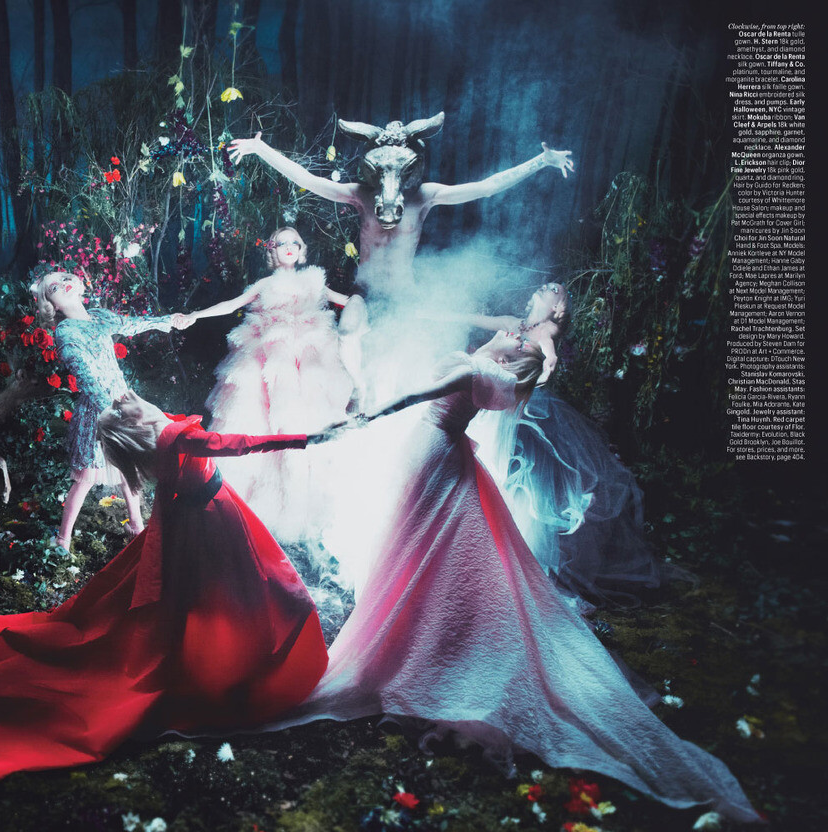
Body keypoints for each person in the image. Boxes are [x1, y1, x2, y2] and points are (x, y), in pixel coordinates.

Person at [278, 332, 760, 823]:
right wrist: (500, 347)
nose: (514, 331)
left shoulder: (477, 371)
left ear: (513, 357)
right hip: (441, 450)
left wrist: (362, 418)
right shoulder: (491, 371)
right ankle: (430, 619)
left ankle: (433, 633)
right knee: (427, 541)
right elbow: (475, 363)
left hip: (433, 450)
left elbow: (415, 396)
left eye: (519, 339)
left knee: (427, 540)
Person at [0, 391, 332, 783]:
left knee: (199, 600)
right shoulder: (177, 439)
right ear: (143, 421)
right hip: (212, 522)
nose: (142, 402)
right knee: (239, 594)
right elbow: (239, 444)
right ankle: (233, 666)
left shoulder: (160, 443)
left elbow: (206, 439)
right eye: (137, 406)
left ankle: (214, 659)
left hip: (193, 523)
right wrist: (309, 438)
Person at [449, 283, 668, 605]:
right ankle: (478, 548)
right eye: (546, 285)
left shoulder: (547, 331)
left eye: (554, 289)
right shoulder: (514, 324)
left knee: (524, 483)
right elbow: (476, 319)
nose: (545, 287)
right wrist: (437, 314)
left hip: (525, 411)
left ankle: (518, 563)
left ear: (558, 307)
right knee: (484, 469)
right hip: (499, 404)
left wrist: (527, 379)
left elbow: (548, 359)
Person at [227, 119, 574, 296]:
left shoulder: (425, 196)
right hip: (364, 290)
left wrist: (541, 161)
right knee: (348, 335)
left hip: (405, 293)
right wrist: (261, 149)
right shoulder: (360, 195)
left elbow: (486, 188)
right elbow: (306, 178)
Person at [185, 226, 358, 542]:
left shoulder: (314, 281)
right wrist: (195, 315)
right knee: (263, 420)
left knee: (309, 418)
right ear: (272, 251)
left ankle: (306, 505)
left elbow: (348, 302)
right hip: (272, 357)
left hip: (309, 359)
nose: (288, 247)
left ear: (301, 249)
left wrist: (370, 305)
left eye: (294, 242)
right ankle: (257, 502)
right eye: (281, 243)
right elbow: (232, 304)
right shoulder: (266, 284)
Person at [28, 271, 191, 551]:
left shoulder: (99, 316)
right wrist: (112, 410)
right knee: (85, 478)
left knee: (127, 469)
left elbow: (131, 324)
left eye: (64, 278)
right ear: (51, 305)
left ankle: (136, 526)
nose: (63, 284)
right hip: (98, 411)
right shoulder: (66, 332)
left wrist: (168, 321)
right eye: (53, 288)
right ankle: (63, 539)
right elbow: (84, 375)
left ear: (77, 283)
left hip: (121, 400)